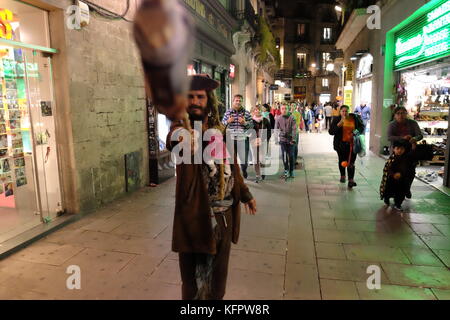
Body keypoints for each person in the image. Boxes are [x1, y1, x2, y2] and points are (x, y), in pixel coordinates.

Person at [166, 74, 257, 300]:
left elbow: (232, 164)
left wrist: (245, 194)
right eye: (190, 97)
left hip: (223, 217)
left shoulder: (219, 128)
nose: (195, 101)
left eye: (200, 97)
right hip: (194, 218)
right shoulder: (183, 125)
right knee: (193, 283)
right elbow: (173, 138)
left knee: (217, 285)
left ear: (209, 99)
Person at [387, 106, 423, 199]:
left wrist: (414, 138)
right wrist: (402, 138)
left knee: (410, 171)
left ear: (406, 114)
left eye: (403, 113)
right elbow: (389, 137)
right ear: (394, 115)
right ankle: (396, 192)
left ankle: (407, 188)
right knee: (397, 171)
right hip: (397, 152)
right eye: (398, 113)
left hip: (410, 150)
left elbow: (420, 135)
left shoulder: (413, 123)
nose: (400, 115)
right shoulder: (392, 125)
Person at [329, 105, 365, 188]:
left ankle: (351, 179)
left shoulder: (354, 118)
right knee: (342, 161)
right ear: (340, 112)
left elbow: (361, 127)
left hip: (352, 144)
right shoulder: (336, 119)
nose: (345, 113)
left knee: (351, 162)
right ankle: (343, 175)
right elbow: (331, 132)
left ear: (349, 111)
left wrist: (356, 132)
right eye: (343, 111)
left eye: (346, 111)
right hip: (340, 145)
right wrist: (338, 125)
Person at [380, 139, 420, 211]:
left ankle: (398, 204)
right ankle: (386, 199)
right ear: (394, 149)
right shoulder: (391, 158)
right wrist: (393, 174)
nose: (399, 151)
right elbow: (387, 168)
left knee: (400, 192)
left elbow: (408, 167)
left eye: (401, 149)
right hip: (391, 179)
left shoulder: (406, 158)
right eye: (397, 149)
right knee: (388, 191)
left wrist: (401, 174)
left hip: (402, 180)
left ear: (404, 149)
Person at [222, 94, 253, 179]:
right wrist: (228, 121)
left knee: (244, 159)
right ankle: (233, 175)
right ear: (233, 101)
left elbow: (252, 125)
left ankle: (244, 170)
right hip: (231, 140)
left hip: (243, 139)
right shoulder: (228, 112)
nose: (238, 102)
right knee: (231, 159)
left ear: (242, 102)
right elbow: (222, 124)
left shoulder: (246, 113)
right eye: (236, 100)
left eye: (240, 101)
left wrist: (244, 123)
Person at [275, 104, 297, 178]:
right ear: (280, 110)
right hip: (283, 140)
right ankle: (286, 170)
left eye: (286, 108)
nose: (284, 110)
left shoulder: (292, 118)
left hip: (291, 140)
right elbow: (276, 129)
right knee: (284, 156)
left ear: (288, 109)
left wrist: (293, 139)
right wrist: (276, 139)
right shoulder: (278, 118)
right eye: (282, 109)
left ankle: (291, 170)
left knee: (291, 156)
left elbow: (294, 129)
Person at [250, 106, 271, 182]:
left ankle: (263, 172)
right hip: (253, 142)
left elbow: (269, 131)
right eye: (255, 110)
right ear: (253, 111)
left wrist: (264, 140)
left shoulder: (265, 120)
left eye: (258, 109)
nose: (257, 111)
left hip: (263, 142)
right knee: (255, 159)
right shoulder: (251, 121)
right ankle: (257, 175)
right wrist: (253, 140)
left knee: (262, 159)